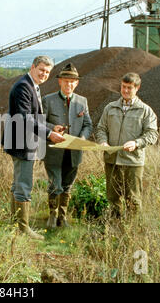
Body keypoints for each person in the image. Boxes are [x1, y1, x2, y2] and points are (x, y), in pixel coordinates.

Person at [3, 56, 65, 240]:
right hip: (22, 144)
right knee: (23, 185)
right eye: (41, 70)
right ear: (32, 67)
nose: (44, 74)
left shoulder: (32, 84)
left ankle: (15, 225)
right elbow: (25, 118)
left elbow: (33, 116)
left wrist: (50, 128)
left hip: (22, 141)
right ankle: (23, 229)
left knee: (17, 184)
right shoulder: (24, 86)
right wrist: (48, 134)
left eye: (47, 72)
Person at [96, 72, 158, 218]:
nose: (125, 91)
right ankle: (114, 228)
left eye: (129, 88)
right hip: (112, 160)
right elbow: (101, 128)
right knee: (113, 198)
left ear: (137, 88)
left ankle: (132, 231)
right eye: (123, 87)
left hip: (133, 161)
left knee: (133, 199)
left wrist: (136, 143)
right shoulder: (110, 108)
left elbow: (152, 134)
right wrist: (103, 142)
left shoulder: (145, 111)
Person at [42, 63, 93, 228]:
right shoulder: (48, 100)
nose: (68, 84)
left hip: (74, 153)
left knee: (67, 185)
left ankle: (62, 218)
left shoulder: (82, 101)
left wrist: (84, 138)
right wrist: (52, 128)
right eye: (65, 81)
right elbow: (39, 122)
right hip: (53, 153)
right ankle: (52, 215)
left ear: (76, 83)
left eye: (72, 82)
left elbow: (87, 124)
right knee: (55, 184)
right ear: (60, 82)